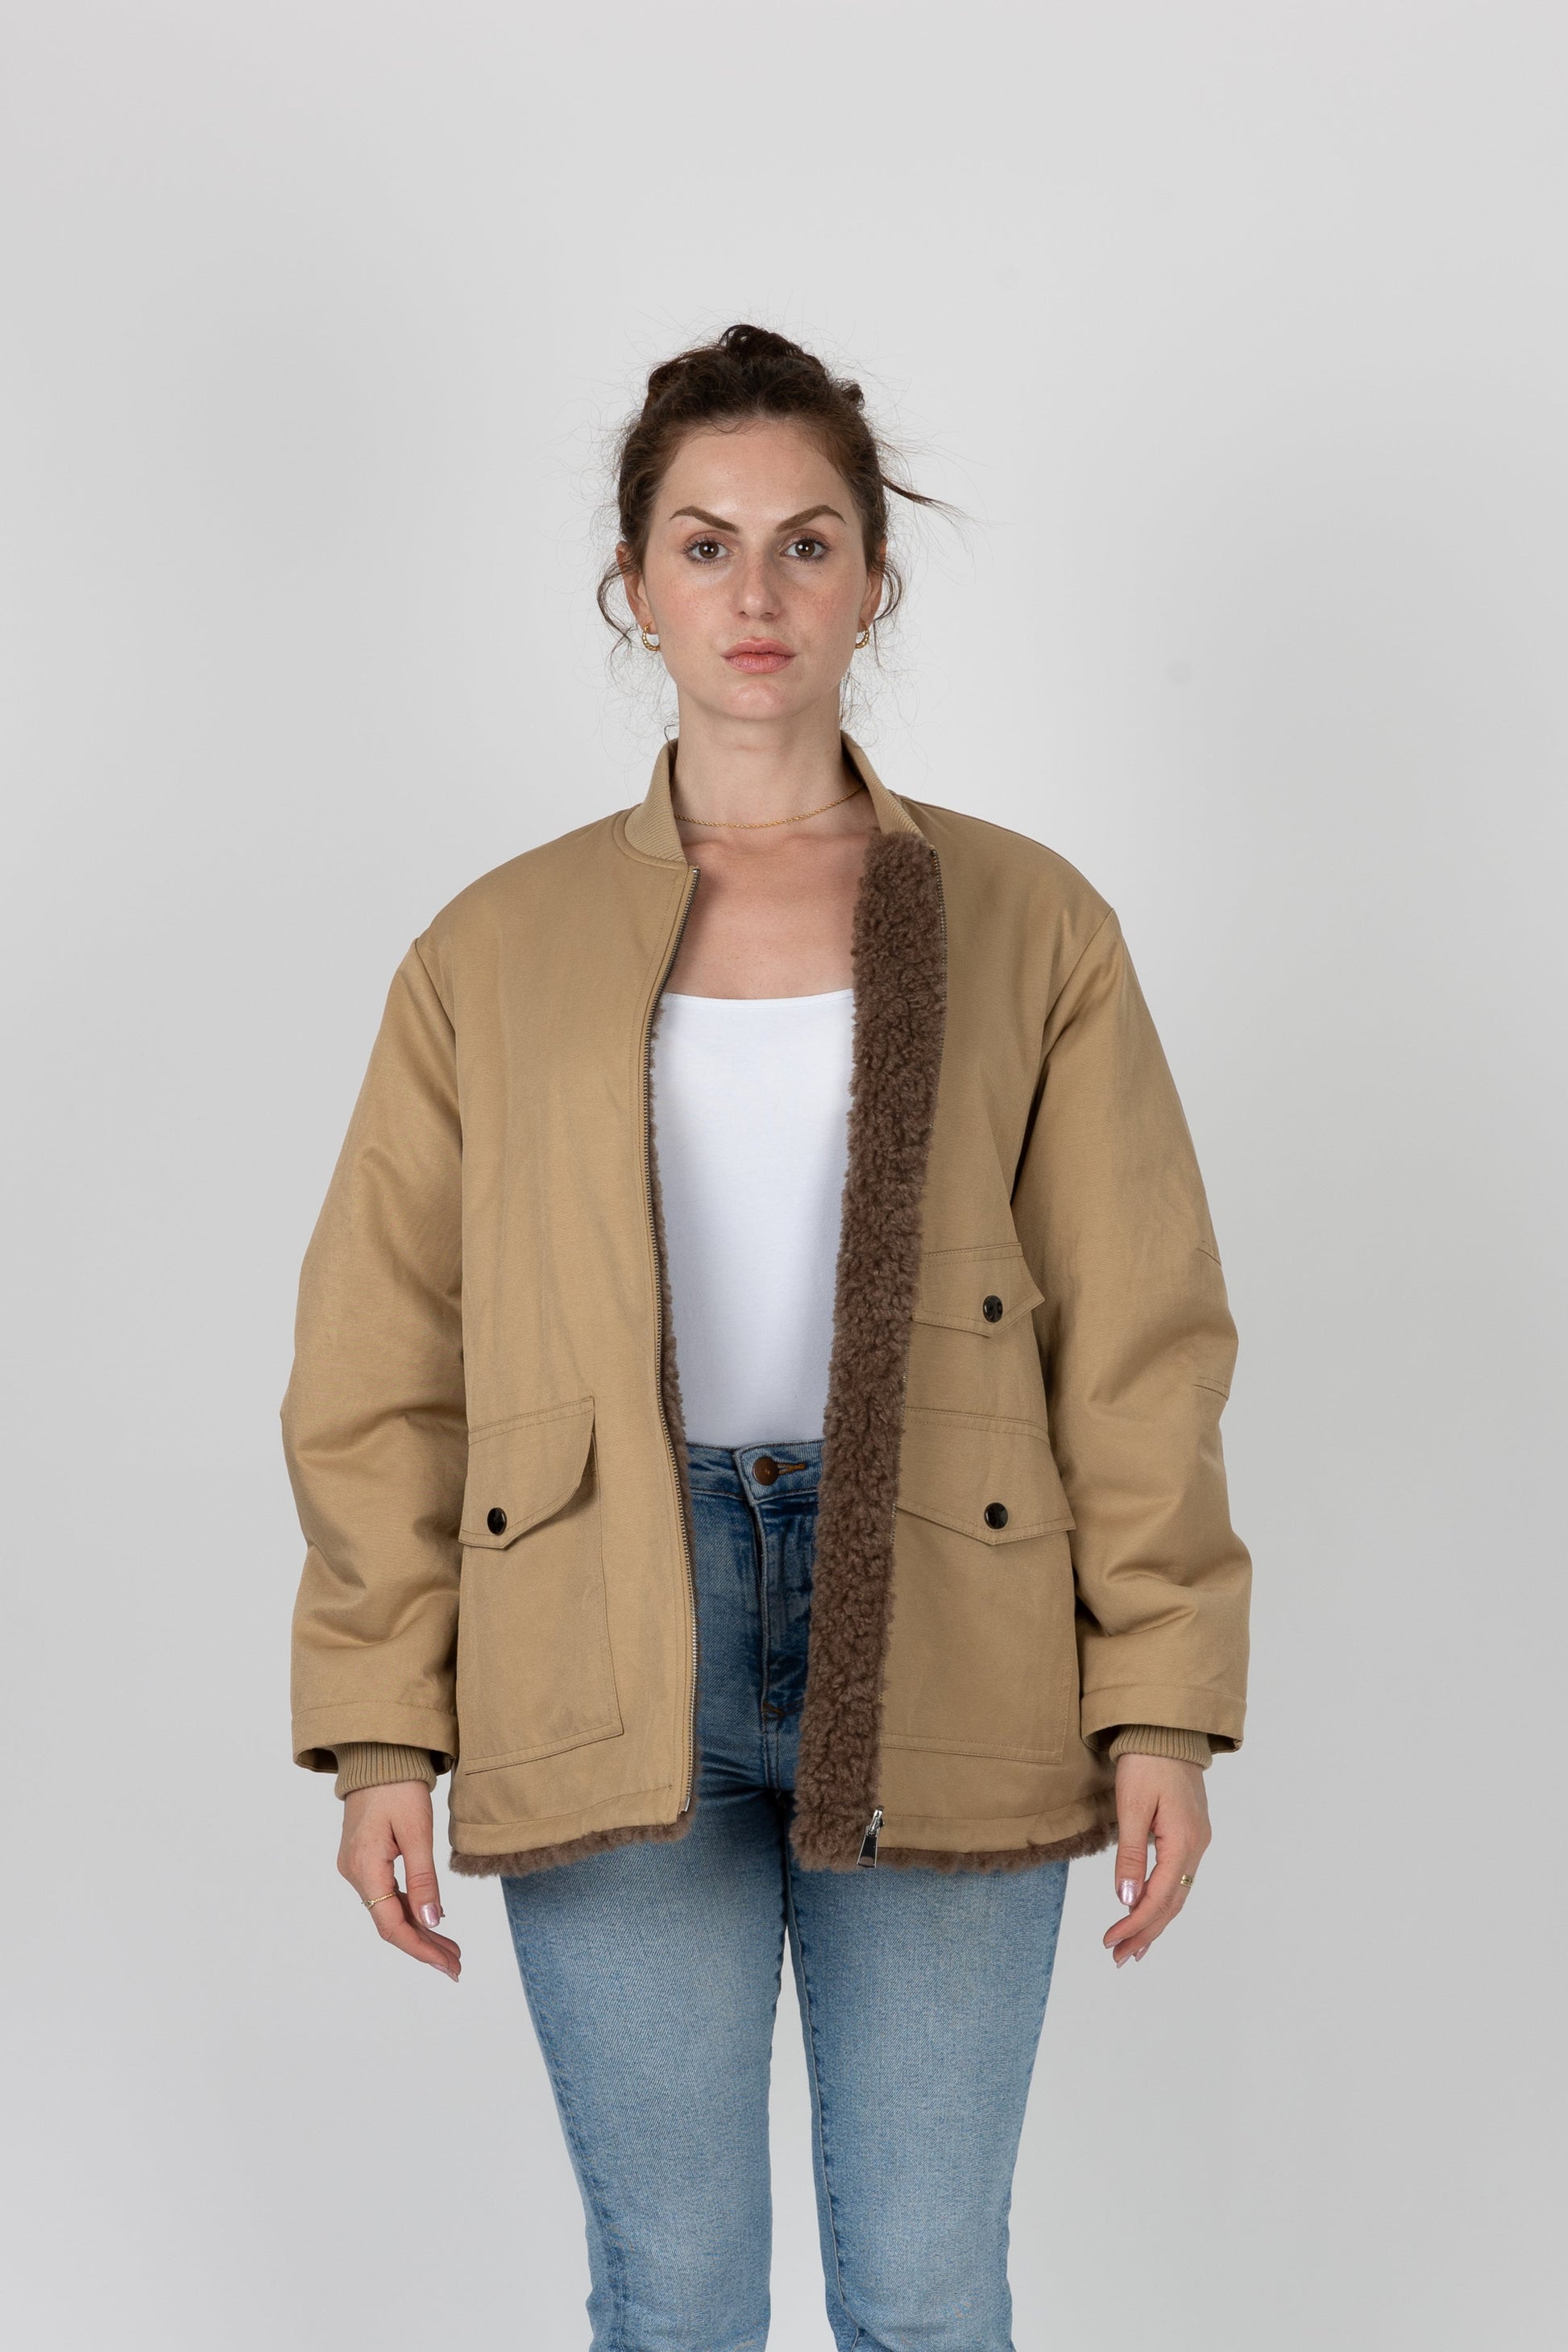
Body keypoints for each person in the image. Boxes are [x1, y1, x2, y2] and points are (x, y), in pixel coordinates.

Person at [284, 321, 1251, 2351]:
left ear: (872, 577)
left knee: (928, 2289)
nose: (756, 592)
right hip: (595, 1622)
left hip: (956, 1615)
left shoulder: (1027, 919)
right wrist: (383, 1729)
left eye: (806, 542)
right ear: (632, 582)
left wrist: (1159, 1695)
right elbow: (383, 1359)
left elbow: (1139, 1334)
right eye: (705, 544)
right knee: (676, 2294)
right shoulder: (492, 948)